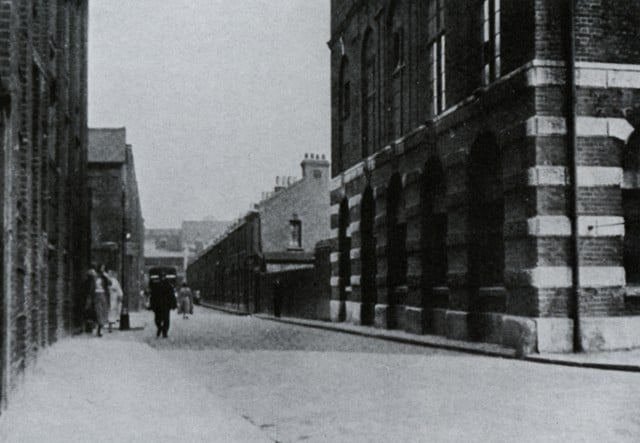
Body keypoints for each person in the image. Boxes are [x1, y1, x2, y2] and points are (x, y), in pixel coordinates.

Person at [83, 263, 110, 337]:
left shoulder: (104, 277)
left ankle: (100, 329)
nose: (102, 270)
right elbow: (91, 287)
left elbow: (110, 283)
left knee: (103, 312)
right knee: (98, 312)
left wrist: (107, 276)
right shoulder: (94, 277)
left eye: (104, 268)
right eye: (101, 268)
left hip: (103, 296)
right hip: (96, 296)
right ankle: (99, 328)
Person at [149, 271, 177, 338]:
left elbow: (172, 296)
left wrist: (173, 304)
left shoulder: (165, 285)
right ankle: (161, 329)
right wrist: (152, 305)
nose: (162, 278)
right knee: (160, 319)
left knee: (163, 319)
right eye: (161, 276)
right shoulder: (159, 285)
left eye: (163, 276)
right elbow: (152, 296)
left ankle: (163, 331)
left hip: (163, 305)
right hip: (161, 305)